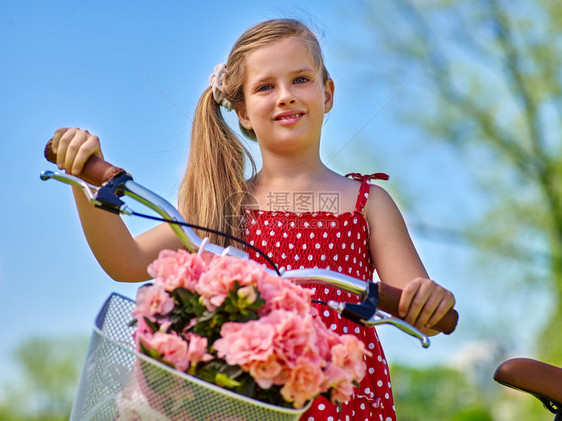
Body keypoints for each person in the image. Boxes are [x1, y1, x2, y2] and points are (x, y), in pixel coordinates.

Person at [50, 18, 455, 421]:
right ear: (243, 111)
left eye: (301, 79)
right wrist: (80, 178)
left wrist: (429, 301)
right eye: (265, 87)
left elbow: (414, 304)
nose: (285, 96)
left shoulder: (368, 203)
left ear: (327, 93)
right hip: (247, 403)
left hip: (344, 403)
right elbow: (125, 260)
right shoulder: (223, 205)